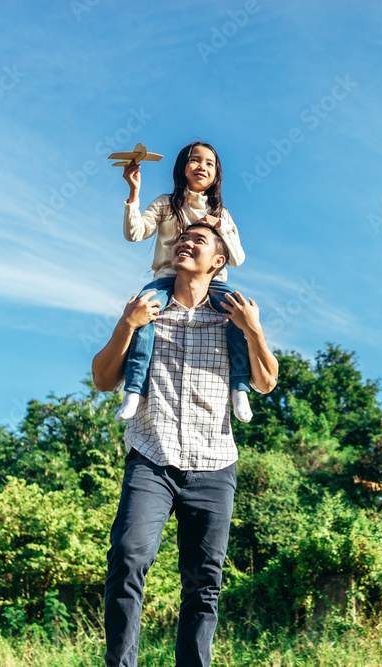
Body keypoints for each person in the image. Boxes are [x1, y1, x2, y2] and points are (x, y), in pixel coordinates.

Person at [92, 222, 278, 667]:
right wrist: (126, 323)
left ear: (219, 261)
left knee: (204, 581)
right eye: (181, 239)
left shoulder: (232, 316)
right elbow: (102, 379)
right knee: (127, 557)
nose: (184, 243)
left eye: (198, 241)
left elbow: (266, 382)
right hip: (151, 457)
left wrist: (254, 330)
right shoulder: (148, 308)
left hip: (214, 466)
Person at [117, 141, 254, 423]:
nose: (201, 167)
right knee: (144, 313)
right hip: (168, 277)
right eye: (194, 160)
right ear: (182, 167)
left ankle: (239, 386)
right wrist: (134, 193)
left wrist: (220, 227)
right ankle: (134, 389)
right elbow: (134, 233)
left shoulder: (222, 213)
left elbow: (237, 258)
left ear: (217, 173)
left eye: (209, 163)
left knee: (238, 314)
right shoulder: (167, 204)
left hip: (211, 281)